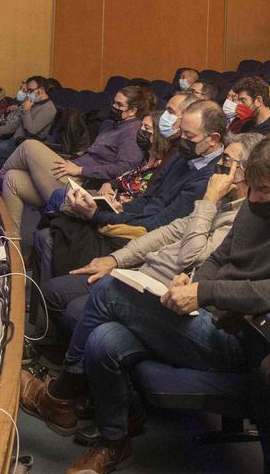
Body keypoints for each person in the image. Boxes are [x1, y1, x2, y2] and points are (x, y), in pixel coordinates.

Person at [59, 132, 270, 474]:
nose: (253, 198)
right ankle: (113, 441)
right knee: (105, 339)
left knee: (108, 293)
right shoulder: (255, 205)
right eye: (251, 188)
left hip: (240, 338)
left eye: (264, 191)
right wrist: (193, 282)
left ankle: (62, 392)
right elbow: (220, 257)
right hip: (205, 314)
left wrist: (206, 293)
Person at [21, 136, 256, 432]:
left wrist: (208, 202)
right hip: (146, 273)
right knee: (63, 297)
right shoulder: (220, 201)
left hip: (172, 294)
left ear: (246, 173)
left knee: (93, 312)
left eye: (227, 163)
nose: (219, 168)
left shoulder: (241, 215)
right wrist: (116, 260)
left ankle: (66, 395)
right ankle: (101, 412)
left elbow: (191, 255)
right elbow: (168, 231)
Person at [34, 102, 226, 280]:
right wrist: (115, 209)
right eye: (181, 132)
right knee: (58, 223)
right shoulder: (181, 156)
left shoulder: (210, 178)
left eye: (189, 136)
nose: (181, 139)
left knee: (55, 237)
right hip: (133, 222)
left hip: (146, 238)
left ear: (213, 139)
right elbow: (146, 199)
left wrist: (99, 216)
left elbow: (160, 224)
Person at [0, 85, 151, 230]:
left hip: (81, 183)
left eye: (119, 105)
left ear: (132, 111)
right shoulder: (112, 124)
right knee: (12, 178)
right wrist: (75, 163)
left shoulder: (132, 130)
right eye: (114, 103)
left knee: (29, 146)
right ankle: (10, 244)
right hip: (70, 171)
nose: (113, 107)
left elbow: (125, 168)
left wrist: (80, 170)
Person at [0, 76, 57, 172]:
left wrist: (26, 111)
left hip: (23, 146)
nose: (28, 94)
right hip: (14, 141)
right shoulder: (33, 103)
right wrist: (1, 130)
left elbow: (31, 131)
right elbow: (17, 123)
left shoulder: (48, 109)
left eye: (30, 90)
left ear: (41, 90)